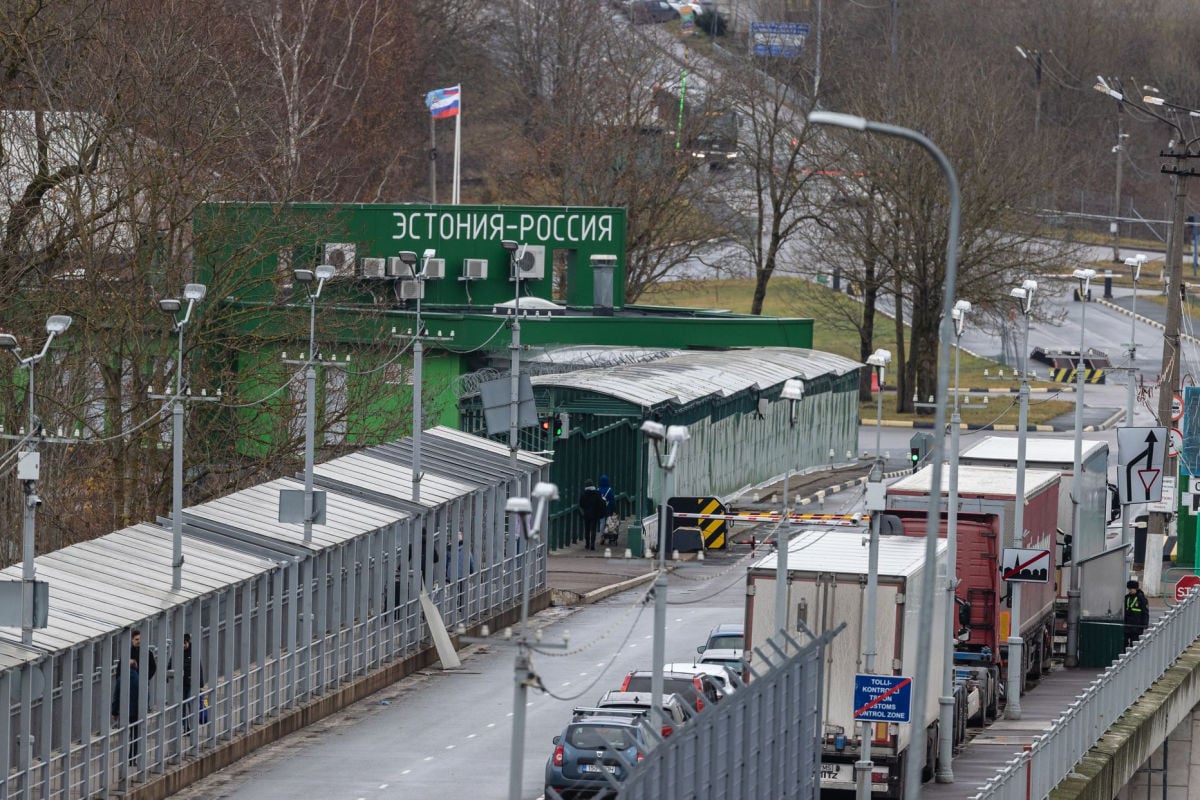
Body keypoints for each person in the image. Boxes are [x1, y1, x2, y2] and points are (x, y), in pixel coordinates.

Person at [577, 478, 607, 551]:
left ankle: (587, 544)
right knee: (593, 529)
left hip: (586, 514)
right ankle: (592, 545)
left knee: (587, 529)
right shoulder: (597, 493)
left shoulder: (583, 494)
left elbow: (581, 504)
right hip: (595, 514)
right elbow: (600, 503)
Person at [1124, 579, 1150, 648]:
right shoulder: (1127, 597)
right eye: (1129, 589)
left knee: (1134, 644)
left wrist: (1145, 624)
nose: (1130, 590)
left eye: (1132, 589)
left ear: (1136, 588)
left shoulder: (1142, 598)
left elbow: (1145, 612)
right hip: (1127, 624)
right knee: (1124, 642)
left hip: (1137, 626)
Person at [598, 474, 617, 546]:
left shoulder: (598, 490)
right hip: (608, 509)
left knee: (601, 523)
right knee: (609, 523)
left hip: (601, 510)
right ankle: (610, 537)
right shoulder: (609, 490)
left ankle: (602, 536)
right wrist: (613, 509)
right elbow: (612, 501)